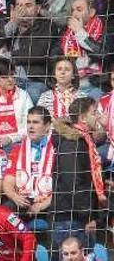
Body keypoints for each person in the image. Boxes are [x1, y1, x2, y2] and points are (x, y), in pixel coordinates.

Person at [50, 97, 107, 252]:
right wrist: (88, 216)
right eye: (94, 112)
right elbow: (73, 182)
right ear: (82, 118)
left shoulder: (84, 140)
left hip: (76, 216)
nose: (97, 116)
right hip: (72, 219)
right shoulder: (72, 143)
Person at [0, 0, 60, 104]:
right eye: (19, 6)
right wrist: (13, 23)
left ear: (37, 9)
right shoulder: (6, 25)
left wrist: (7, 56)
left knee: (32, 94)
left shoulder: (47, 26)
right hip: (4, 79)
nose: (22, 10)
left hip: (33, 80)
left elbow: (38, 52)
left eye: (28, 6)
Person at [1, 106, 54, 215]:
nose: (31, 126)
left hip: (48, 202)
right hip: (22, 200)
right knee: (3, 213)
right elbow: (8, 181)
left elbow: (63, 187)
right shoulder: (17, 149)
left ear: (47, 126)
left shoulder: (57, 149)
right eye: (28, 122)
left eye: (35, 122)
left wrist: (42, 205)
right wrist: (15, 197)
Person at [54, 0, 106, 96]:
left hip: (95, 85)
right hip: (70, 85)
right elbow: (54, 56)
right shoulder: (66, 31)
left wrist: (80, 32)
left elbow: (103, 54)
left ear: (91, 12)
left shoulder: (104, 28)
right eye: (73, 10)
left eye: (79, 10)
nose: (74, 14)